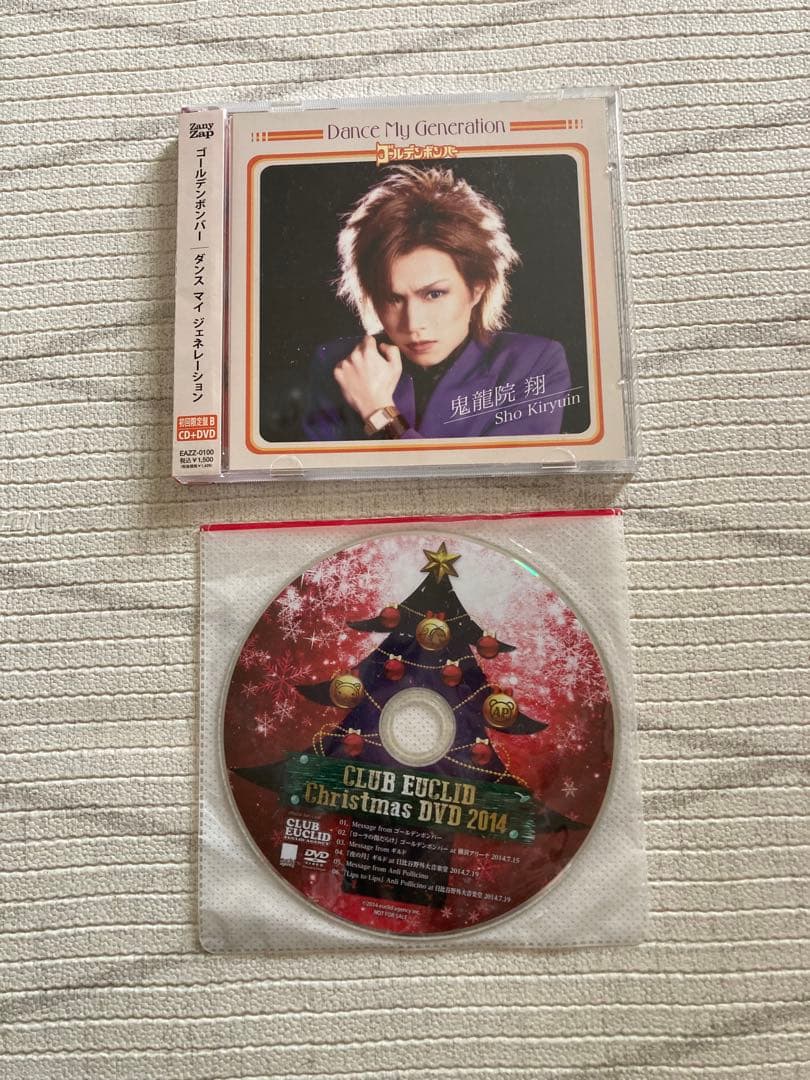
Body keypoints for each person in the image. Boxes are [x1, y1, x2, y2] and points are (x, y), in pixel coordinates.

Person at [302, 166, 572, 441]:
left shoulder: (532, 364)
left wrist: (377, 412)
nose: (413, 323)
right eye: (393, 298)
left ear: (476, 289)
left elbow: (494, 472)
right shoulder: (339, 365)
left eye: (434, 294)